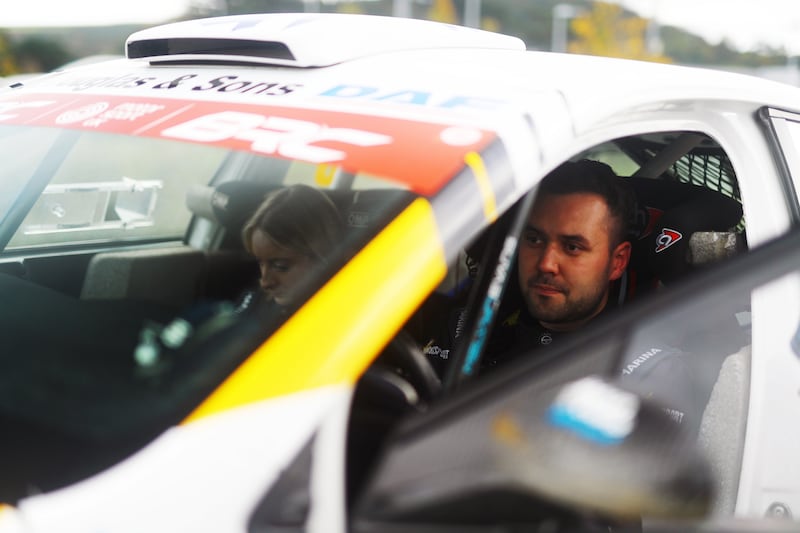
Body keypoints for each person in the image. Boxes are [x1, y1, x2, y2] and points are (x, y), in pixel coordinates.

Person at [425, 159, 706, 434]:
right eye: (535, 240)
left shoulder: (650, 372)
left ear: (617, 262)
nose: (546, 263)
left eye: (572, 247)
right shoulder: (468, 328)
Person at [241, 183, 345, 308]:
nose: (265, 282)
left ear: (324, 256)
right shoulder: (261, 305)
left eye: (281, 266)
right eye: (261, 263)